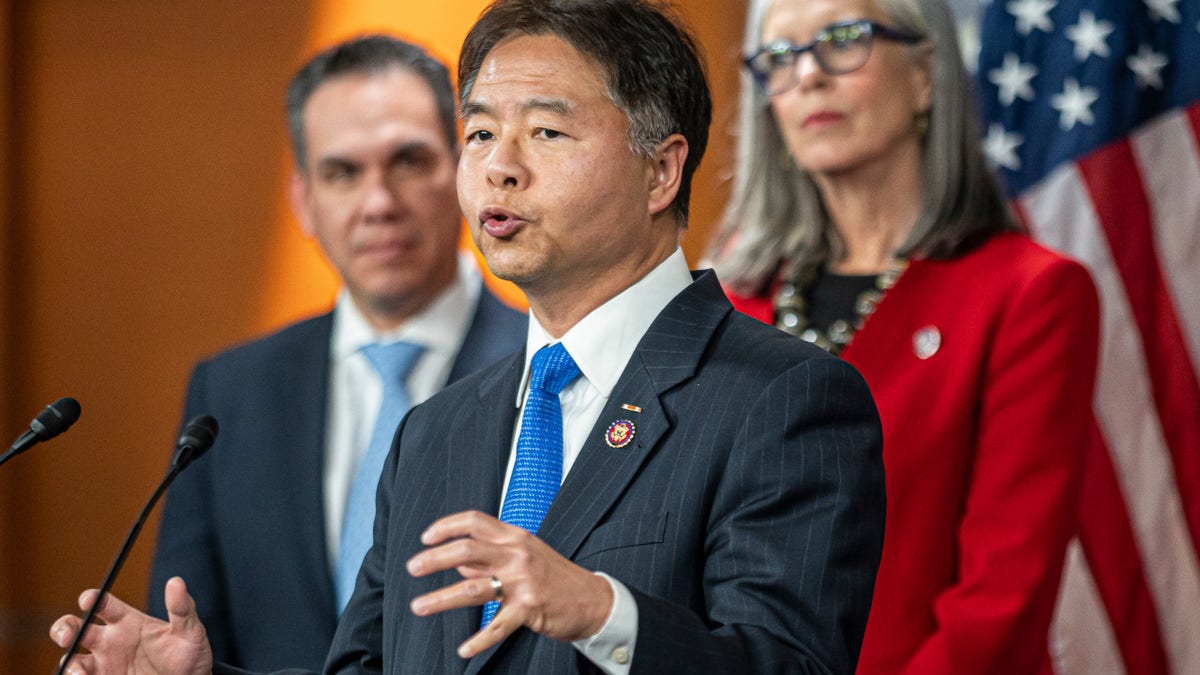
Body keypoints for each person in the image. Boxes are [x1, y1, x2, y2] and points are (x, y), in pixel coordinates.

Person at [52, 1, 886, 673]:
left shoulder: (781, 398)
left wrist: (605, 612)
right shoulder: (435, 430)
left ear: (662, 170)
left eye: (546, 132)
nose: (499, 165)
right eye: (481, 132)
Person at [709, 0, 1100, 672]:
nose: (808, 76)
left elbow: (1000, 599)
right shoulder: (729, 299)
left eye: (841, 39)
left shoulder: (1030, 295)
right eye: (779, 57)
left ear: (926, 74)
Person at [144, 35, 527, 672]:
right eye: (342, 172)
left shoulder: (548, 367)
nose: (379, 204)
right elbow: (185, 638)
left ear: (465, 171)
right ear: (303, 201)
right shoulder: (232, 392)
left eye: (408, 161)